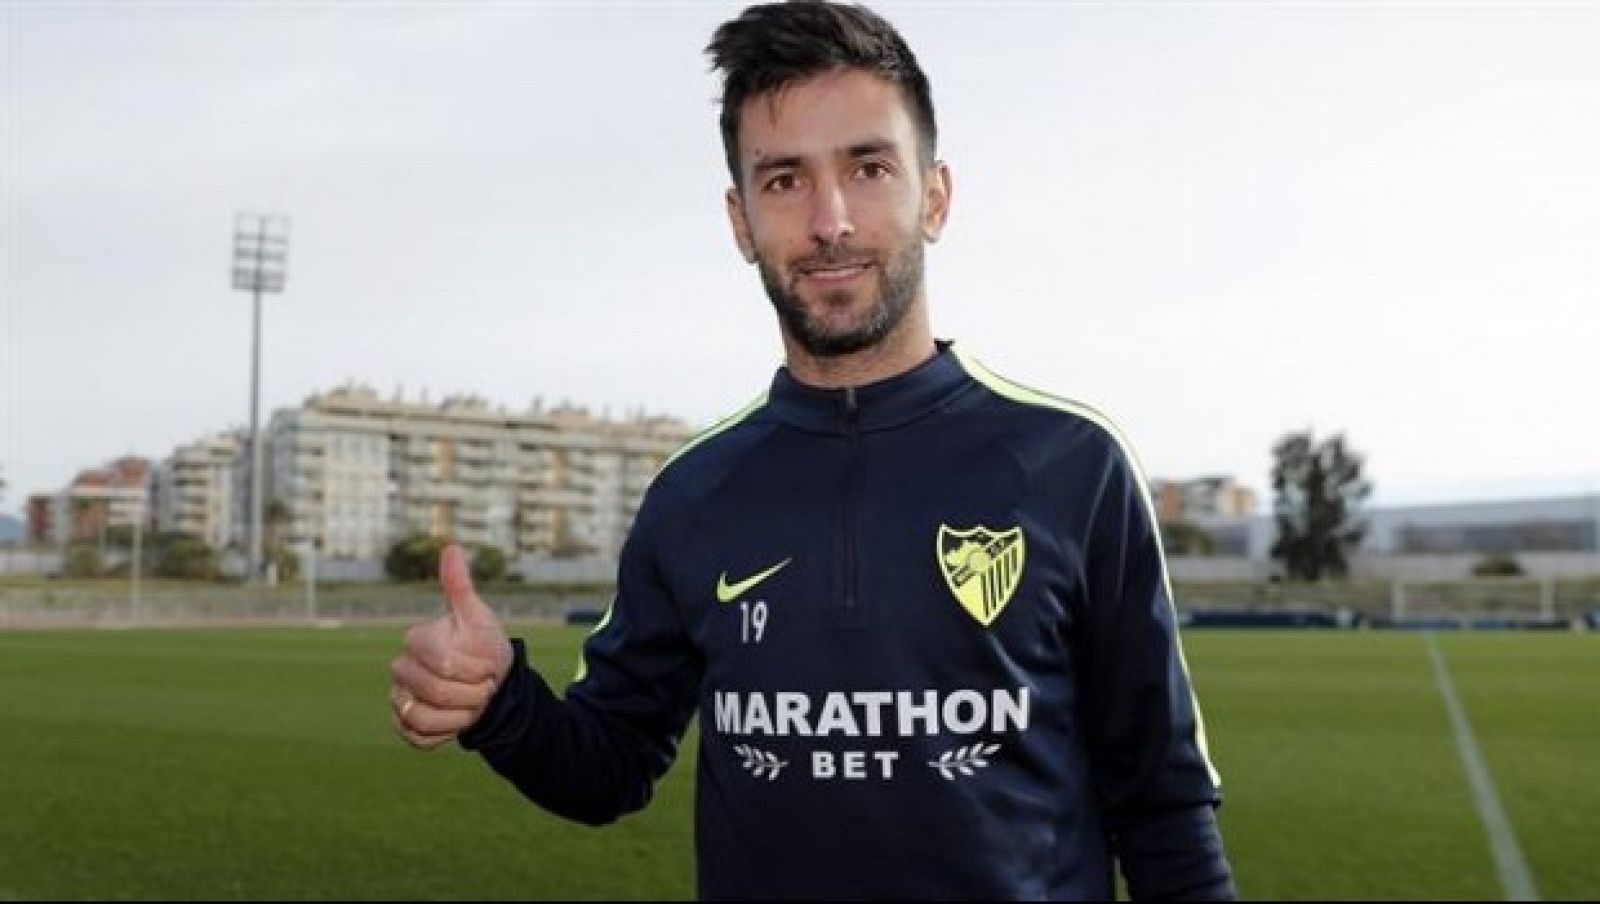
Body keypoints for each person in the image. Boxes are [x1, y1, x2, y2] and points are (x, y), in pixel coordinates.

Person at [389, 2, 1236, 899]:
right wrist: (500, 702)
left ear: (935, 195)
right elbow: (609, 764)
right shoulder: (694, 494)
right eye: (785, 180)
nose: (830, 220)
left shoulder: (1075, 464)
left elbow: (1163, 806)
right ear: (741, 220)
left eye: (868, 167)